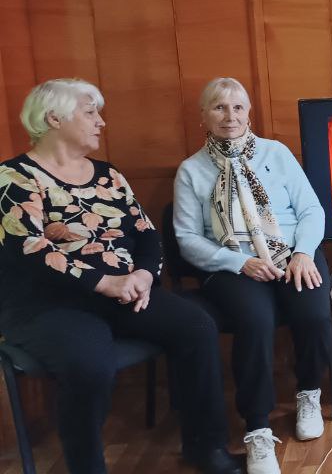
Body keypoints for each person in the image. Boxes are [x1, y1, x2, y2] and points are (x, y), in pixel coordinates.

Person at [0, 79, 241, 474]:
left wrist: (143, 275)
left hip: (125, 291)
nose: (101, 122)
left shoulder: (107, 175)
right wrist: (104, 283)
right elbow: (29, 250)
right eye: (90, 112)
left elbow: (146, 233)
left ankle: (206, 447)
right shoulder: (13, 179)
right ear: (54, 118)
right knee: (90, 364)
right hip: (49, 305)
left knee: (196, 326)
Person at [173, 78, 332, 474]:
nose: (230, 116)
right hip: (233, 264)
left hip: (292, 253)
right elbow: (187, 239)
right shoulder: (191, 170)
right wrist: (238, 263)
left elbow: (311, 210)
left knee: (313, 313)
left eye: (238, 107)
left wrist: (303, 253)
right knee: (255, 321)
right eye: (219, 107)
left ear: (249, 113)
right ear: (203, 116)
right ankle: (258, 428)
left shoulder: (276, 153)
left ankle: (309, 392)